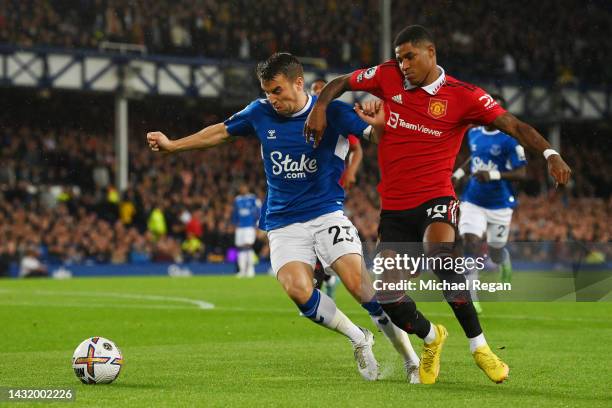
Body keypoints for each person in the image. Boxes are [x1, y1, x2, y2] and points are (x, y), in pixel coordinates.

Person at [304, 25, 571, 384]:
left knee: (440, 253)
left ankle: (480, 348)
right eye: (399, 59)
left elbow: (514, 125)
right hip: (396, 208)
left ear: (431, 52)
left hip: (436, 197)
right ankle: (432, 338)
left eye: (410, 57)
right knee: (387, 293)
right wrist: (320, 106)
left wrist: (550, 153)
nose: (403, 66)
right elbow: (340, 82)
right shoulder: (386, 76)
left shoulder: (465, 96)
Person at [147, 52, 422, 382]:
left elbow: (373, 136)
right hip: (283, 220)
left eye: (277, 90)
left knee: (360, 287)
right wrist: (173, 145)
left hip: (326, 214)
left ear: (298, 82)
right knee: (297, 289)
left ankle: (411, 360)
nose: (271, 99)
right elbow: (220, 132)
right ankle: (358, 337)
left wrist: (379, 123)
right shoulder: (259, 112)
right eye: (266, 92)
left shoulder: (331, 110)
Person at [452, 94, 527, 313]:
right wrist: (458, 173)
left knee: (494, 251)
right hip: (473, 200)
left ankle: (503, 258)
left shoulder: (510, 140)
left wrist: (493, 175)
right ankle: (471, 296)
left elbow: (522, 173)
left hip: (499, 205)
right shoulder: (474, 133)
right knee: (470, 242)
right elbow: (472, 159)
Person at [310, 78, 364, 299]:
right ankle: (327, 279)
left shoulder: (337, 118)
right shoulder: (304, 117)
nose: (318, 94)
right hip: (308, 184)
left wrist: (351, 171)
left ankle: (328, 277)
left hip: (330, 186)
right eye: (315, 91)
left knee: (324, 230)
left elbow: (357, 149)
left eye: (322, 91)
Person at [231, 183, 261, 278]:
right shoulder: (237, 199)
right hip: (240, 227)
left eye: (244, 187)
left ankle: (250, 270)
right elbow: (235, 213)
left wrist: (257, 224)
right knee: (240, 248)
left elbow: (259, 211)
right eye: (241, 188)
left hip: (249, 226)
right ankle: (242, 271)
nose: (242, 189)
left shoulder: (253, 198)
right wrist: (234, 224)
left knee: (248, 246)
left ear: (247, 188)